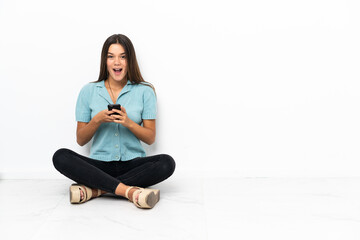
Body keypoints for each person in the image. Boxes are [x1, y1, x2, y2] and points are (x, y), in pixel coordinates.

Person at [52, 34, 176, 209]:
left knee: (167, 163)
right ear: (105, 61)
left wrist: (128, 122)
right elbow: (80, 139)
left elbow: (150, 138)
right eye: (111, 56)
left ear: (129, 60)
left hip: (133, 165)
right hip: (99, 165)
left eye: (122, 56)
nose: (117, 62)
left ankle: (96, 190)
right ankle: (130, 192)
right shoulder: (88, 91)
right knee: (61, 156)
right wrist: (97, 120)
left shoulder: (145, 91)